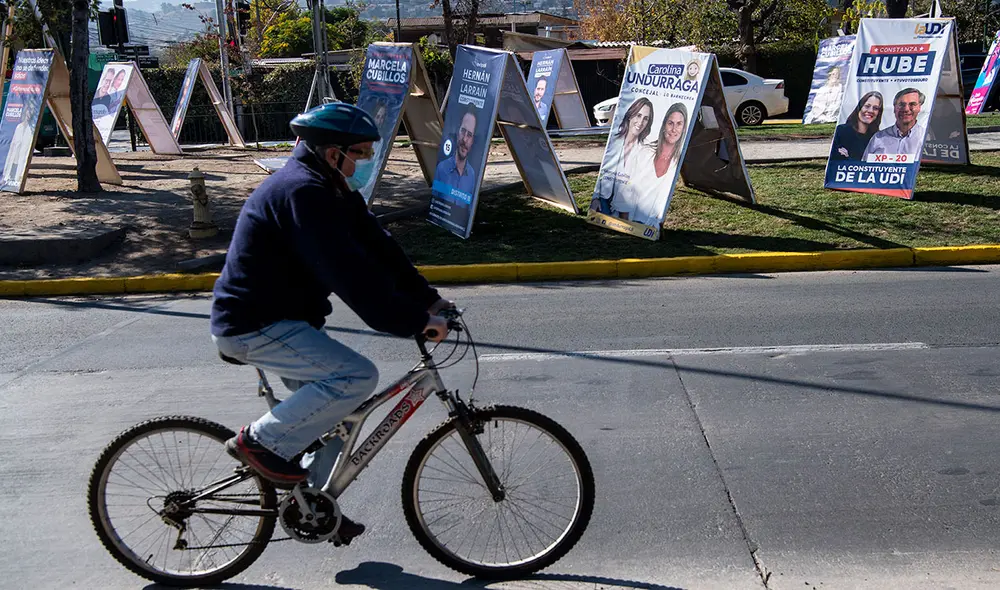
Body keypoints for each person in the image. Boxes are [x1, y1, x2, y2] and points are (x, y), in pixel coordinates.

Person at [211, 102, 453, 544]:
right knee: (356, 378)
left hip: (286, 322)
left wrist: (429, 299)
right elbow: (349, 275)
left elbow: (378, 248)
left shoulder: (332, 189)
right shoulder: (301, 192)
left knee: (344, 417)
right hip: (254, 325)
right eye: (358, 153)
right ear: (331, 152)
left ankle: (314, 509)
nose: (363, 162)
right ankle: (258, 442)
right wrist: (412, 321)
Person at [625, 103, 688, 227]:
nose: (674, 129)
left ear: (684, 128)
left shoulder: (679, 160)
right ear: (664, 125)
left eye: (679, 124)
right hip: (631, 222)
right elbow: (628, 189)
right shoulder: (644, 152)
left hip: (652, 224)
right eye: (670, 123)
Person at [590, 97, 654, 219]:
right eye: (638, 115)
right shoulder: (614, 141)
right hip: (602, 199)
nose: (640, 122)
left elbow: (633, 191)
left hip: (624, 209)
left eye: (646, 119)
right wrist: (596, 198)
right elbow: (605, 172)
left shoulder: (644, 151)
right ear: (630, 115)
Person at [862, 88, 926, 162]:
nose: (906, 109)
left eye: (912, 104)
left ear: (919, 108)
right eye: (901, 104)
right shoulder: (878, 137)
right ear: (894, 108)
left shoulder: (924, 137)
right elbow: (865, 166)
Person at [433, 106, 478, 201]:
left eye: (469, 135)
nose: (465, 139)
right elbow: (435, 201)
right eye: (463, 131)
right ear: (457, 132)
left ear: (473, 140)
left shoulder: (472, 175)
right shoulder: (442, 168)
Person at [831, 91, 883, 161]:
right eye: (867, 106)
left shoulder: (877, 138)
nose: (871, 111)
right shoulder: (841, 131)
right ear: (860, 107)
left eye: (875, 108)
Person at [2, 98, 39, 190]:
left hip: (21, 162)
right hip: (14, 161)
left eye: (31, 112)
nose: (28, 114)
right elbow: (13, 146)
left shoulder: (31, 129)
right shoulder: (19, 127)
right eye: (27, 112)